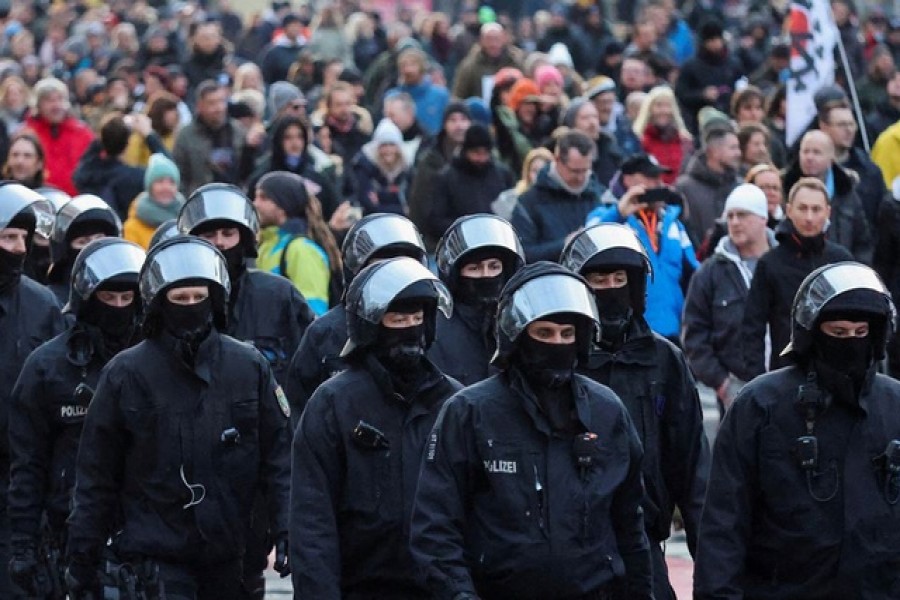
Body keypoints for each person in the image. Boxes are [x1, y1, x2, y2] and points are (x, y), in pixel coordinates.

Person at [65, 236, 291, 599]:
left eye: (198, 298)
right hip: (156, 553)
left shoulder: (248, 367)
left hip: (231, 553)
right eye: (179, 298)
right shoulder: (125, 373)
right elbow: (96, 473)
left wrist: (285, 528)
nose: (190, 307)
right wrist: (82, 558)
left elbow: (279, 456)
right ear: (159, 302)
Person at [410, 261, 653, 599]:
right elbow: (435, 530)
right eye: (544, 333)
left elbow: (630, 527)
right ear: (518, 336)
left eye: (567, 334)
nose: (557, 343)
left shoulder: (606, 411)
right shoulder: (469, 413)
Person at [695, 261, 900, 598]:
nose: (850, 342)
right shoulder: (760, 405)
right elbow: (724, 522)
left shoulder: (893, 406)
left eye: (860, 333)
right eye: (838, 333)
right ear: (813, 333)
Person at [291, 257, 460, 597]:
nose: (410, 328)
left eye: (417, 318)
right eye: (398, 318)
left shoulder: (455, 402)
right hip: (361, 585)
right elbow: (312, 519)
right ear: (372, 325)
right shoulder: (333, 403)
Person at [176, 183, 313, 598]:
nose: (219, 244)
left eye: (228, 234)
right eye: (208, 234)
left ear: (246, 238)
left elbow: (308, 386)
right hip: (183, 480)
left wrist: (290, 515)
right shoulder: (172, 302)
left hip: (256, 477)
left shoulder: (279, 297)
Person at [561, 223, 710, 600]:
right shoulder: (557, 360)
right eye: (598, 278)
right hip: (567, 546)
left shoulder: (664, 361)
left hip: (644, 541)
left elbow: (692, 468)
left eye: (619, 278)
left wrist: (712, 568)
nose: (610, 288)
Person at [7, 238, 145, 598]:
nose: (118, 307)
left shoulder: (158, 363)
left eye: (126, 298)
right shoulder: (48, 367)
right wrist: (22, 544)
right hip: (68, 527)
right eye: (107, 298)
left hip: (149, 529)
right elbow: (28, 463)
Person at [283, 213, 427, 425]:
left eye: (402, 263)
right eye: (381, 265)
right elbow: (299, 408)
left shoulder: (431, 327)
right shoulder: (325, 332)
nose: (392, 273)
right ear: (357, 271)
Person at [0, 184, 65, 597]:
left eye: (24, 238)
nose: (20, 248)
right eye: (8, 237)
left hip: (23, 481)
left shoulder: (41, 305)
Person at [740, 178, 854, 380]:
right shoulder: (770, 263)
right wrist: (756, 380)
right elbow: (752, 328)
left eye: (816, 209)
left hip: (837, 373)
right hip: (785, 374)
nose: (809, 217)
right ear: (789, 211)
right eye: (803, 209)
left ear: (827, 212)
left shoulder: (841, 260)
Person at [683, 184, 776, 416]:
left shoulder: (785, 264)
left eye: (742, 215)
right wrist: (722, 383)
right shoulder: (710, 273)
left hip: (784, 381)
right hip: (735, 387)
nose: (734, 222)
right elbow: (694, 334)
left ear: (763, 218)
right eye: (730, 216)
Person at [586, 153, 699, 344]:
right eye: (650, 177)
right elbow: (589, 243)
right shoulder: (606, 215)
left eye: (659, 178)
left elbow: (696, 273)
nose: (658, 183)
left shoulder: (672, 223)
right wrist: (619, 213)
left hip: (675, 333)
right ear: (628, 179)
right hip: (629, 335)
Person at [429, 214, 525, 385]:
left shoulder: (520, 320)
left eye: (494, 266)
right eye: (474, 268)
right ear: (457, 274)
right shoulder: (436, 328)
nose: (486, 275)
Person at [253, 171, 342, 316]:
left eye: (263, 198)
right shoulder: (264, 246)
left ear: (283, 204)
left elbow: (314, 315)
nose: (255, 204)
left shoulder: (302, 250)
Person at [511, 130, 604, 262]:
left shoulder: (597, 194)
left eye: (585, 170)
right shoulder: (529, 202)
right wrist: (564, 245)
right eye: (575, 171)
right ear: (557, 160)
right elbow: (522, 254)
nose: (581, 177)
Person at [783, 130, 873, 263]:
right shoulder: (784, 187)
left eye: (816, 152)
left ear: (831, 158)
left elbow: (862, 242)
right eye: (805, 151)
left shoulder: (846, 191)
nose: (809, 157)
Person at [426, 124, 514, 240]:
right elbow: (436, 220)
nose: (482, 159)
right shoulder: (446, 178)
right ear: (466, 151)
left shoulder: (503, 174)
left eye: (485, 153)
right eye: (477, 153)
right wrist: (469, 228)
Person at [245, 116, 340, 220]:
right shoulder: (263, 176)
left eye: (299, 137)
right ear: (278, 141)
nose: (295, 143)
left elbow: (332, 210)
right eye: (288, 137)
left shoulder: (316, 176)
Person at [407, 102, 472, 250]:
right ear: (444, 125)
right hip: (436, 242)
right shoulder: (430, 161)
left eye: (463, 119)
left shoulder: (481, 159)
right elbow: (420, 204)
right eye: (453, 120)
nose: (459, 125)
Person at [172, 81, 250, 195]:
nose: (218, 108)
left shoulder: (238, 130)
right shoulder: (186, 136)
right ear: (200, 106)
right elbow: (179, 174)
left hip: (234, 198)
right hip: (199, 200)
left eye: (221, 102)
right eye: (212, 103)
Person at [46, 195, 122, 306]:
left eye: (100, 238)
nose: (93, 247)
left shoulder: (127, 291)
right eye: (82, 242)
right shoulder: (52, 300)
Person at [22, 78, 93, 196]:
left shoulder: (82, 133)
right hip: (37, 200)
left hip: (75, 202)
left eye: (60, 99)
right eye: (49, 100)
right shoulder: (27, 134)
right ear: (38, 105)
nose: (56, 105)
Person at [675, 127, 742, 248]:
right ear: (714, 152)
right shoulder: (684, 188)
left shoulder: (740, 186)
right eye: (733, 148)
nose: (739, 153)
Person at [350, 119, 413, 216]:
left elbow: (413, 204)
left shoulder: (406, 169)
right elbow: (368, 205)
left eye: (392, 144)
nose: (388, 150)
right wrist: (402, 209)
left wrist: (380, 202)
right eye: (384, 145)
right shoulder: (364, 167)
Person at [632, 85, 692, 185]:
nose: (664, 110)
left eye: (668, 106)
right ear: (650, 109)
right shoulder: (639, 139)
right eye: (659, 105)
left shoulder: (684, 141)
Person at [124, 153, 186, 250]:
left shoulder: (186, 222)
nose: (166, 187)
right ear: (149, 186)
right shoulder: (133, 227)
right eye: (160, 181)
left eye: (171, 182)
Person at [387, 46, 449, 136]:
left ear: (422, 67)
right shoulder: (392, 97)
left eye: (412, 65)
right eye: (404, 65)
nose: (408, 70)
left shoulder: (440, 95)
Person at [452, 23, 523, 100]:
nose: (493, 44)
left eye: (496, 39)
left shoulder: (515, 62)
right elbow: (458, 95)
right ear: (481, 40)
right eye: (489, 39)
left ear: (503, 39)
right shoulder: (469, 66)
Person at [492, 146, 553, 221]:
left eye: (543, 170)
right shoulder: (510, 200)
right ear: (527, 172)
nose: (539, 175)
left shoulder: (560, 199)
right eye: (535, 171)